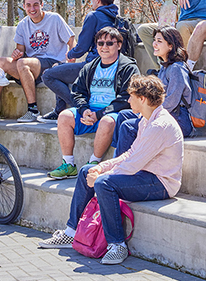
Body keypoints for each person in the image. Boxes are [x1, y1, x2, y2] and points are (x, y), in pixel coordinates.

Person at [38, 75, 183, 265]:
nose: (128, 100)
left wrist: (102, 175)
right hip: (144, 174)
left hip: (161, 183)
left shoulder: (159, 125)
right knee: (85, 171)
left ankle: (117, 245)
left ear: (143, 99)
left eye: (131, 96)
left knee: (103, 183)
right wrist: (100, 167)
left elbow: (132, 165)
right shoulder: (146, 120)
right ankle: (71, 233)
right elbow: (130, 154)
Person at [47, 27, 140, 180]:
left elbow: (126, 98)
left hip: (112, 113)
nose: (104, 47)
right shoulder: (90, 67)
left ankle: (93, 164)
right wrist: (84, 110)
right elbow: (77, 91)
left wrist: (99, 114)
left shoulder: (128, 67)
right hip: (89, 111)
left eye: (110, 43)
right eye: (100, 43)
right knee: (64, 116)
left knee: (107, 122)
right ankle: (68, 164)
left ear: (119, 45)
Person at [0, 0, 75, 122]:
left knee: (23, 63)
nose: (32, 9)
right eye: (28, 5)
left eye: (36, 5)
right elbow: (20, 50)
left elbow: (71, 40)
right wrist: (16, 54)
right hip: (30, 67)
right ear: (24, 7)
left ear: (42, 4)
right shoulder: (23, 25)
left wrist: (71, 58)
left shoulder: (54, 19)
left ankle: (33, 110)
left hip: (52, 63)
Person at [38, 0, 119, 123]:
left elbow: (82, 47)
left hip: (94, 66)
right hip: (113, 66)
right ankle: (59, 111)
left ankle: (82, 109)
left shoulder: (94, 16)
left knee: (49, 75)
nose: (92, 0)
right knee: (60, 70)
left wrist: (70, 55)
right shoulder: (116, 18)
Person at [112, 26, 194, 156]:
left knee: (128, 126)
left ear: (171, 46)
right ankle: (121, 159)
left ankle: (122, 167)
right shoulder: (165, 67)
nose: (154, 44)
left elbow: (171, 101)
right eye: (154, 40)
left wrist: (147, 114)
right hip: (164, 114)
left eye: (159, 41)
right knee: (123, 115)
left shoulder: (177, 69)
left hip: (178, 119)